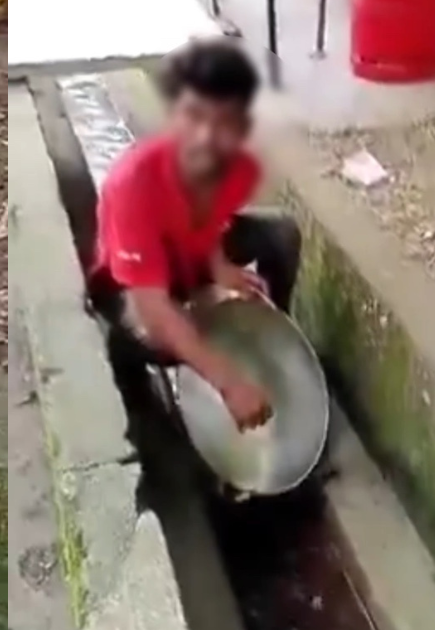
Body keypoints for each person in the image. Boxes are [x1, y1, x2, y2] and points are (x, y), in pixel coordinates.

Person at [87, 38, 301, 431]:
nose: (205, 136)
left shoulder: (235, 166)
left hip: (189, 258)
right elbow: (152, 307)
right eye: (194, 116)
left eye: (223, 122)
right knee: (154, 338)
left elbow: (213, 219)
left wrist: (218, 265)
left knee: (281, 235)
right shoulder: (131, 185)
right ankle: (134, 385)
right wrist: (228, 381)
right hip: (131, 284)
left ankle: (266, 341)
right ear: (174, 115)